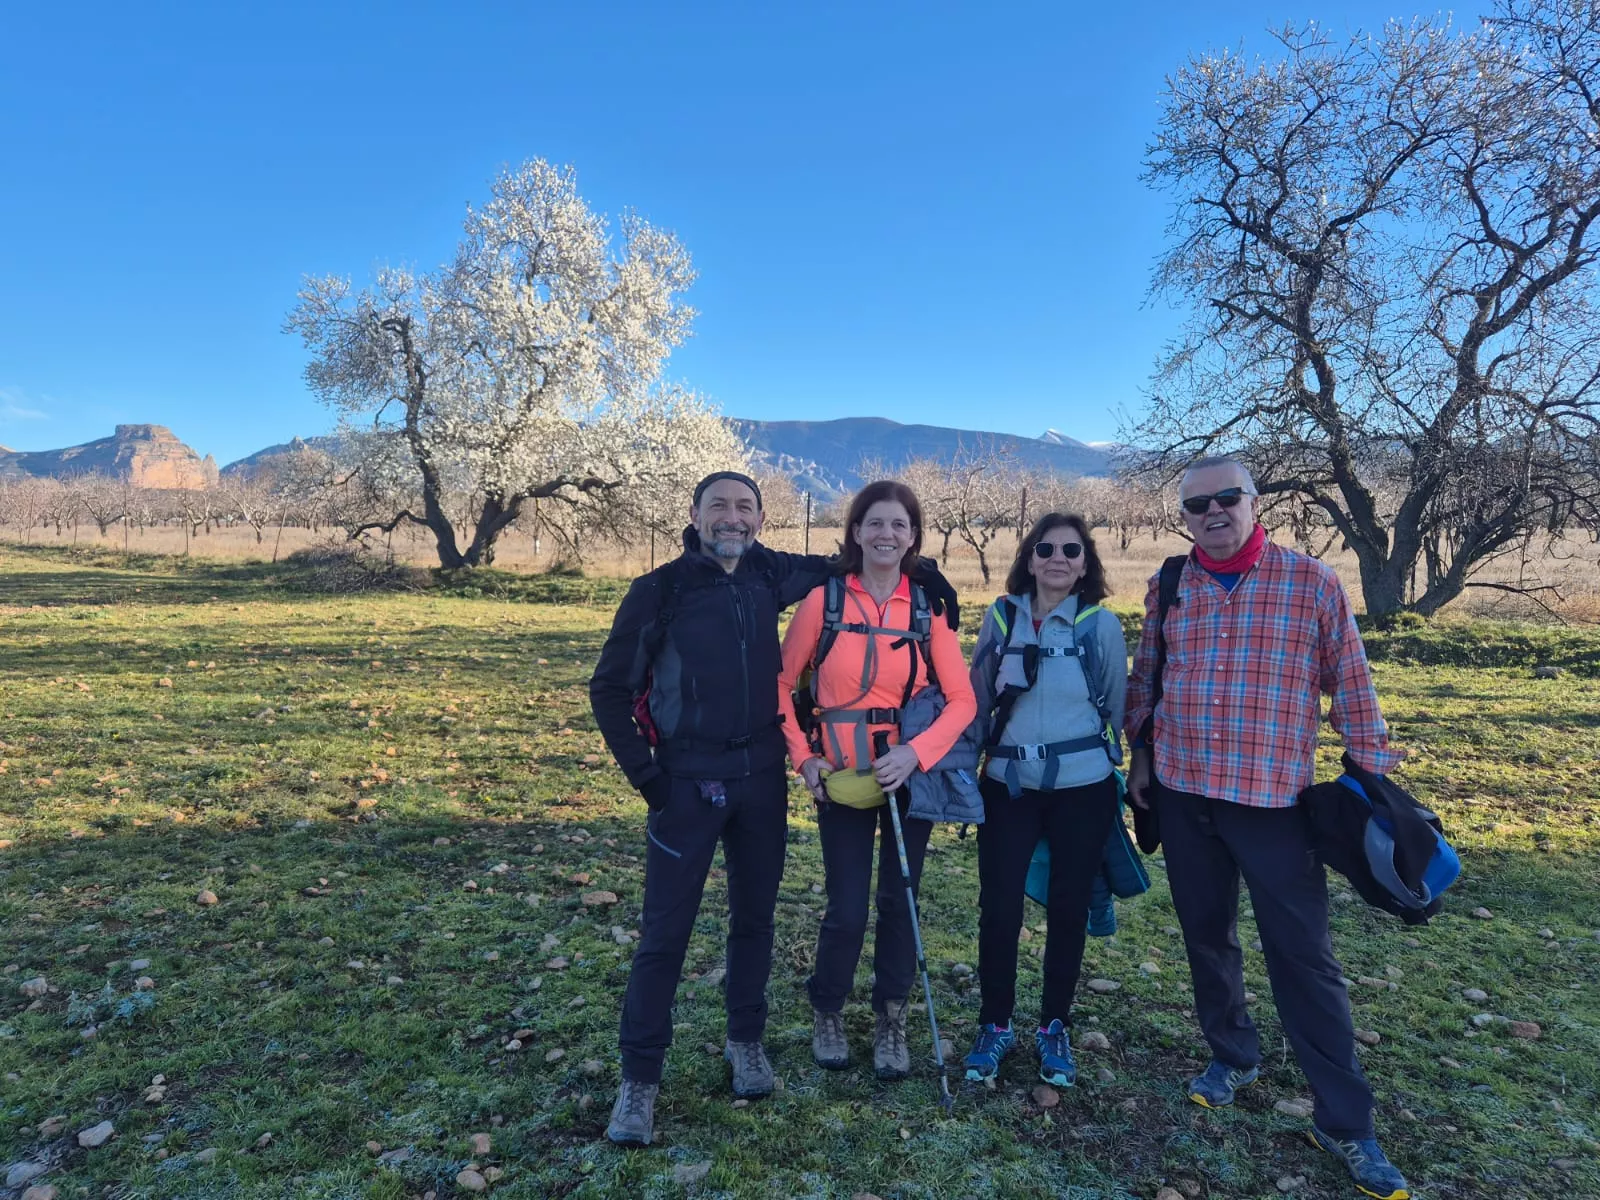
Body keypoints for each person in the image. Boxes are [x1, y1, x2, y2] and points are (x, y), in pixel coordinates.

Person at [589, 471, 957, 1147]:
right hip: (686, 783)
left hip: (760, 777)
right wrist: (651, 781)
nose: (732, 517)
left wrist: (925, 573)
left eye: (744, 507)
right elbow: (609, 689)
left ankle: (746, 1043)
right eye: (719, 506)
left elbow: (849, 560)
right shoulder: (659, 590)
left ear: (759, 519)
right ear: (695, 514)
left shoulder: (768, 573)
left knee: (753, 922)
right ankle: (639, 1081)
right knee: (664, 937)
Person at [1125, 456, 1410, 1200]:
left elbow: (1351, 681)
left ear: (1256, 504)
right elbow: (1147, 676)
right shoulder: (1170, 585)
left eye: (1227, 498)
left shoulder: (1310, 584)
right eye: (1196, 505)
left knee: (1303, 956)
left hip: (1273, 803)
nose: (1212, 512)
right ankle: (1233, 1053)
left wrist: (1376, 782)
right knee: (1207, 935)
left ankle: (1345, 1121)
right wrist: (1142, 756)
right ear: (1182, 517)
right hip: (1186, 797)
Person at [775, 480, 977, 1080]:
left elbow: (963, 701)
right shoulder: (824, 602)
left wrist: (916, 755)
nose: (887, 535)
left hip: (907, 780)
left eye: (899, 525)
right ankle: (828, 1009)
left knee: (898, 900)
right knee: (844, 907)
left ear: (913, 536)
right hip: (838, 777)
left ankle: (892, 1017)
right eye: (875, 523)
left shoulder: (927, 608)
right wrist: (803, 760)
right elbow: (780, 686)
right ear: (856, 532)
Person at [959, 513, 1127, 1088]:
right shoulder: (1001, 617)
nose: (1059, 558)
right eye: (1046, 547)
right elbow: (976, 698)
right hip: (1009, 788)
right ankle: (995, 1024)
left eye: (1072, 551)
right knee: (999, 906)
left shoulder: (1099, 625)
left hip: (1084, 787)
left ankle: (1054, 1025)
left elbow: (1117, 704)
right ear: (1029, 557)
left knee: (1068, 905)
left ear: (1086, 564)